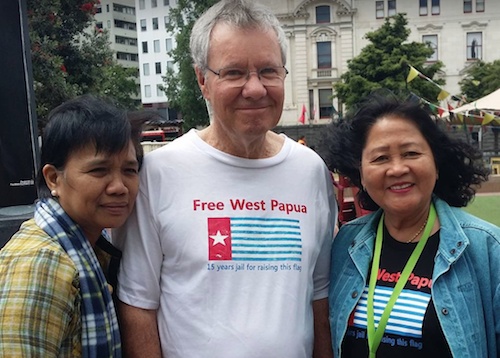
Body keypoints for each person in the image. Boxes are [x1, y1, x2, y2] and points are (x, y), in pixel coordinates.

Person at [114, 1, 337, 357]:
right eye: (234, 73)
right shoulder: (160, 174)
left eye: (268, 70)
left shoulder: (310, 171)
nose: (255, 88)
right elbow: (138, 304)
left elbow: (319, 295)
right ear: (202, 80)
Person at [323, 95, 499, 357]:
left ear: (436, 164)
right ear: (361, 173)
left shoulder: (487, 249)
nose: (397, 168)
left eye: (411, 153)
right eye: (381, 158)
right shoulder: (346, 245)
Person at [0, 95, 145, 357]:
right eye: (99, 171)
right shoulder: (40, 262)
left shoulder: (92, 248)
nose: (119, 187)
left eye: (129, 170)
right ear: (54, 179)